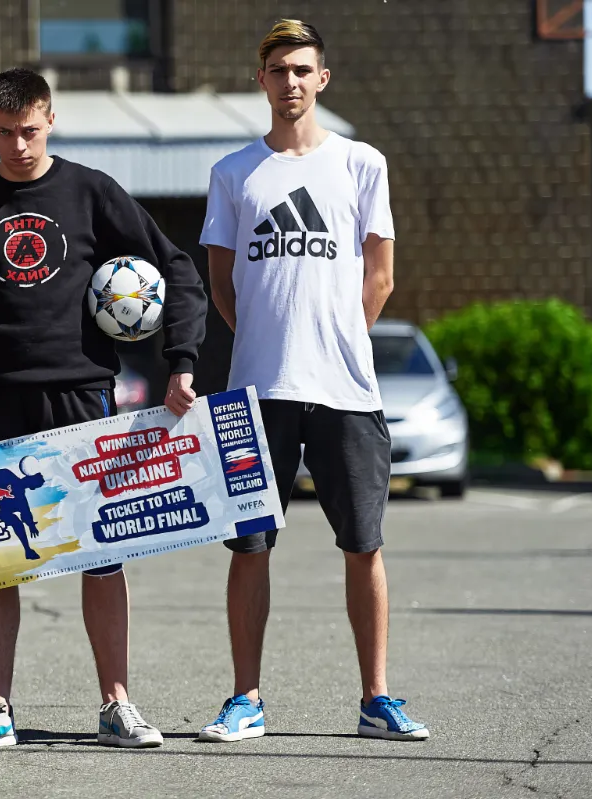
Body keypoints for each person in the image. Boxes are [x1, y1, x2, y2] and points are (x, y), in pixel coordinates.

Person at [0, 67, 208, 750]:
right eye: (3, 133)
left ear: (50, 119)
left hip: (81, 394)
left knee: (102, 554)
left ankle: (116, 705)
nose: (18, 145)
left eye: (29, 130)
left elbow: (178, 269)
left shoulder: (91, 192)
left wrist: (182, 362)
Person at [197, 20, 429, 742]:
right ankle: (246, 698)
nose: (290, 81)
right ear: (260, 79)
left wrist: (331, 342)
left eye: (303, 69)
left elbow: (380, 274)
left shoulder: (362, 163)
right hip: (258, 392)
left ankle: (376, 699)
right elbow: (223, 287)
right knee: (250, 547)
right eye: (278, 69)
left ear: (321, 79)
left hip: (347, 392)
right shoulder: (234, 173)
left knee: (364, 543)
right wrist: (276, 342)